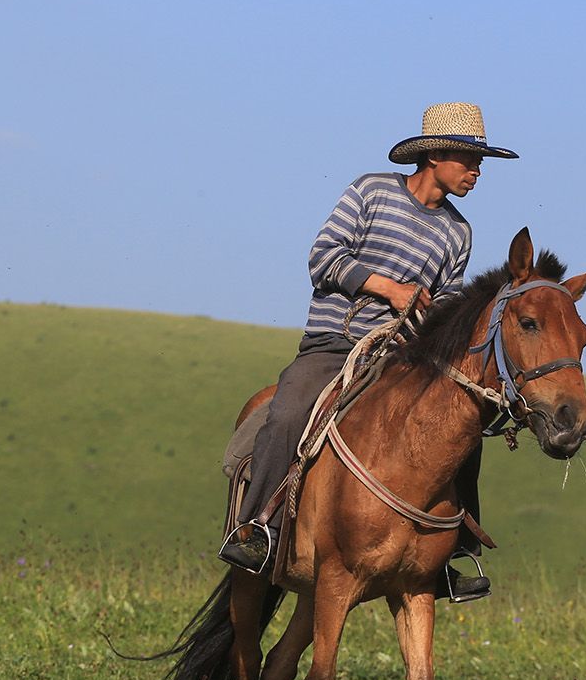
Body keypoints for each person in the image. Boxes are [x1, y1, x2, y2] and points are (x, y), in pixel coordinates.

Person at [218, 102, 517, 600]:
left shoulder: (458, 231)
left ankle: (455, 548)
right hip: (335, 342)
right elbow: (324, 257)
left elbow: (447, 305)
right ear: (436, 156)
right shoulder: (371, 191)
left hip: (403, 358)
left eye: (479, 163)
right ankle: (256, 531)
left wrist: (434, 318)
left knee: (461, 432)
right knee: (290, 411)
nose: (477, 172)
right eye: (469, 160)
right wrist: (390, 289)